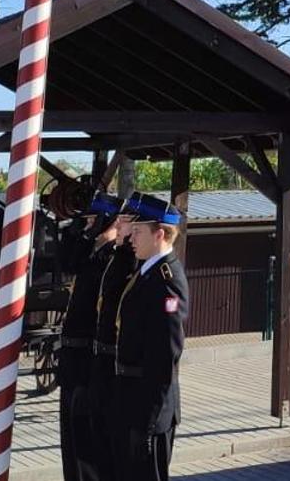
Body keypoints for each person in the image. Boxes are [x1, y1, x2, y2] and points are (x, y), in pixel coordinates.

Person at [111, 193, 189, 481]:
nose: (131, 237)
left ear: (160, 234)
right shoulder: (147, 273)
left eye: (138, 231)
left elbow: (166, 355)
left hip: (148, 407)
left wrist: (150, 421)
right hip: (131, 398)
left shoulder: (167, 281)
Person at [58, 192, 124, 481]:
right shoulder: (91, 251)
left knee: (87, 442)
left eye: (92, 221)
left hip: (89, 358)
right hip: (72, 356)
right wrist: (83, 235)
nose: (87, 226)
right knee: (71, 440)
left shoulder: (112, 258)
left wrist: (104, 237)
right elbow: (67, 264)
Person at [89, 196, 140, 478]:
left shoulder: (134, 264)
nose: (119, 226)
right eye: (118, 221)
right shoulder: (115, 257)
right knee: (97, 445)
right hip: (101, 357)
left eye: (126, 222)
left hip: (115, 361)